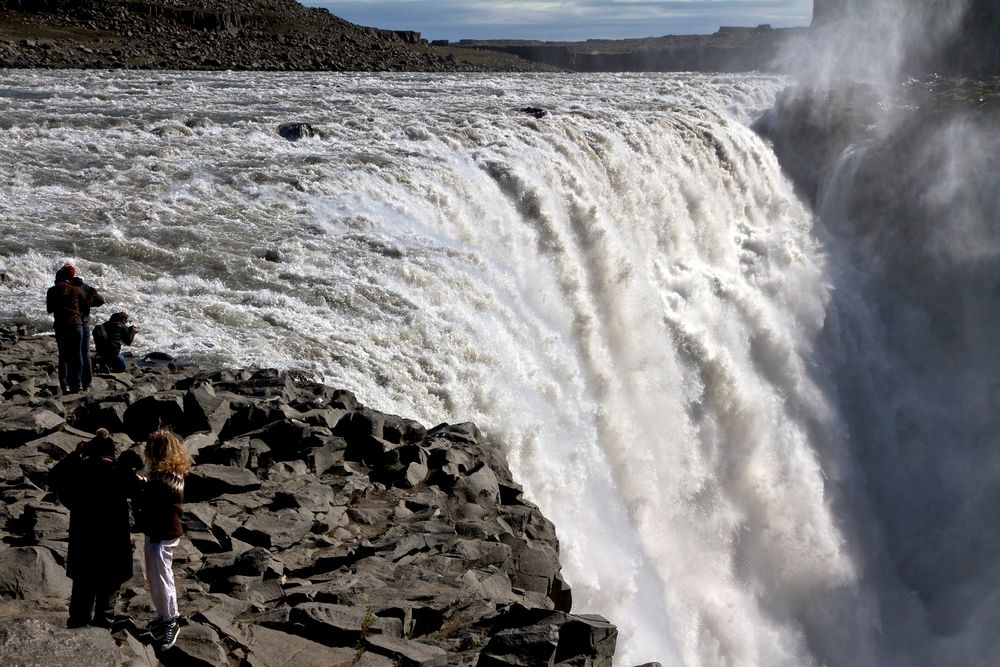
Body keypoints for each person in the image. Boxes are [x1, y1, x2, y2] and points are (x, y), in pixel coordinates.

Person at [47, 428, 142, 629]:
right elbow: (137, 487)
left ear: (89, 451)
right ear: (111, 452)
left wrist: (75, 454)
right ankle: (103, 641)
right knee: (106, 603)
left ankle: (76, 639)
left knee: (81, 600)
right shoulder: (119, 472)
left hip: (84, 547)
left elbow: (53, 477)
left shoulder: (79, 470)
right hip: (113, 548)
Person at [140, 429, 191, 652]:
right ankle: (166, 615)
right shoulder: (168, 474)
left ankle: (170, 619)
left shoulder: (166, 479)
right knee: (156, 575)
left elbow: (152, 492)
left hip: (163, 534)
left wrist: (139, 484)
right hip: (159, 531)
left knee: (161, 577)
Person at [45, 263, 104, 393]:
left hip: (62, 324)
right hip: (79, 324)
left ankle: (65, 385)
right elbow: (98, 300)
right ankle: (82, 385)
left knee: (64, 355)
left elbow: (49, 309)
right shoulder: (80, 288)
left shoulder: (52, 290)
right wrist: (92, 293)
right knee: (82, 355)